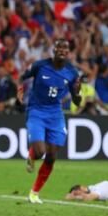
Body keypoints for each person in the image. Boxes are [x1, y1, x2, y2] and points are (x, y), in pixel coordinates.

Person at [17, 39, 81, 204]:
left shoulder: (72, 73)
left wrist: (77, 95)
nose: (62, 50)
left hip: (55, 114)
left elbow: (76, 101)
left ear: (68, 52)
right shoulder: (39, 65)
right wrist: (20, 91)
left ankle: (34, 192)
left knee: (52, 155)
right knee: (40, 151)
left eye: (65, 47)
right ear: (53, 49)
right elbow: (21, 77)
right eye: (59, 47)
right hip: (36, 111)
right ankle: (32, 155)